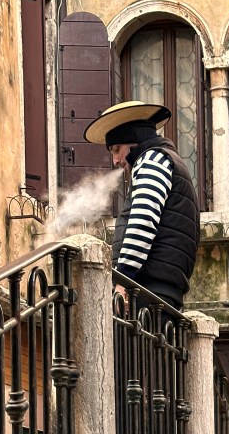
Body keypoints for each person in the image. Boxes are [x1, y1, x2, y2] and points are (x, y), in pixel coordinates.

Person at [84, 100, 200, 311]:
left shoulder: (152, 159)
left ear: (135, 141)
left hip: (146, 292)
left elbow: (143, 221)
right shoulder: (166, 160)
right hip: (160, 292)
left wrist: (123, 281)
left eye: (117, 149)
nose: (115, 160)